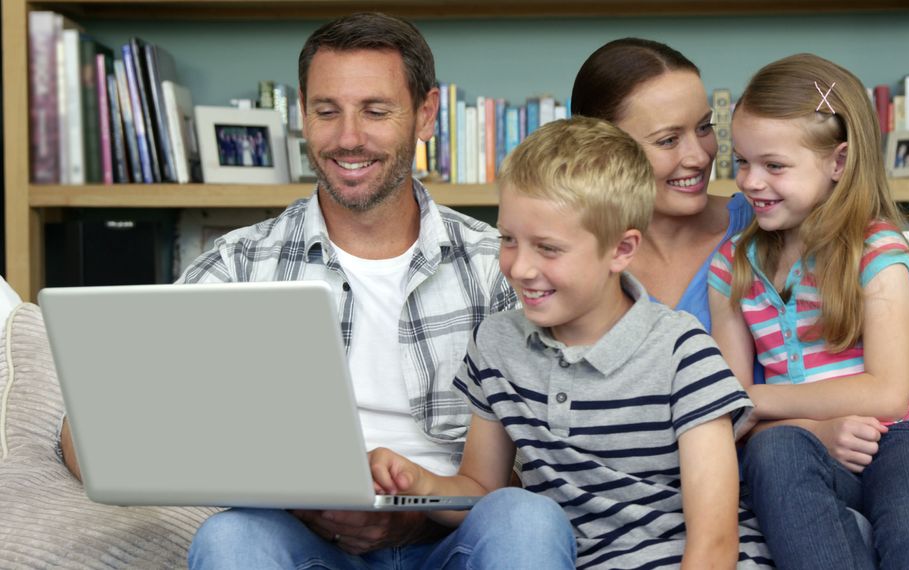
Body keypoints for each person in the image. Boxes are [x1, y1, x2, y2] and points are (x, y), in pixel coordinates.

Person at [92, 12, 572, 569]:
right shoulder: (240, 263)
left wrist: (419, 508)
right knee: (232, 537)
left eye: (375, 110)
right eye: (327, 111)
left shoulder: (500, 267)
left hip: (450, 542)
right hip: (305, 545)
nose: (349, 138)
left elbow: (550, 462)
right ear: (301, 114)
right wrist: (290, 502)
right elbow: (98, 429)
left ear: (426, 114)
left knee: (529, 519)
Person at [570, 38, 909, 568]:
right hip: (737, 482)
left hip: (856, 455)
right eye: (668, 138)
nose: (699, 156)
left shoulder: (766, 222)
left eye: (703, 128)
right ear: (604, 147)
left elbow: (868, 372)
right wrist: (808, 428)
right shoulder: (570, 259)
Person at [370, 116, 754, 568]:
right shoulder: (497, 344)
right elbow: (482, 492)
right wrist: (421, 484)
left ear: (621, 250)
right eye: (509, 239)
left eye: (548, 249)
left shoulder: (683, 353)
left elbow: (715, 545)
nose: (520, 268)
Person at [708, 52, 909, 568]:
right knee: (772, 451)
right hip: (803, 451)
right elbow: (731, 416)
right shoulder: (733, 267)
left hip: (903, 441)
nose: (750, 182)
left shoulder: (876, 252)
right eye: (742, 161)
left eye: (774, 165)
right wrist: (799, 423)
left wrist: (754, 396)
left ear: (839, 162)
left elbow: (888, 394)